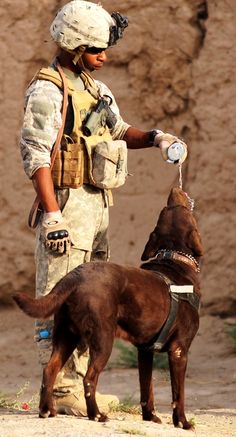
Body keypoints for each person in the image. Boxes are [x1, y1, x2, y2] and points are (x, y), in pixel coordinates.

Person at [19, 0, 187, 417]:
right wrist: (52, 213)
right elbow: (36, 154)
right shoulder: (48, 88)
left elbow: (116, 129)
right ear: (74, 47)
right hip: (67, 202)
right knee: (60, 293)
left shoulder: (95, 88)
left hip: (98, 205)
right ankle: (58, 391)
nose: (104, 56)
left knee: (92, 301)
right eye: (95, 49)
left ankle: (79, 385)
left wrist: (156, 138)